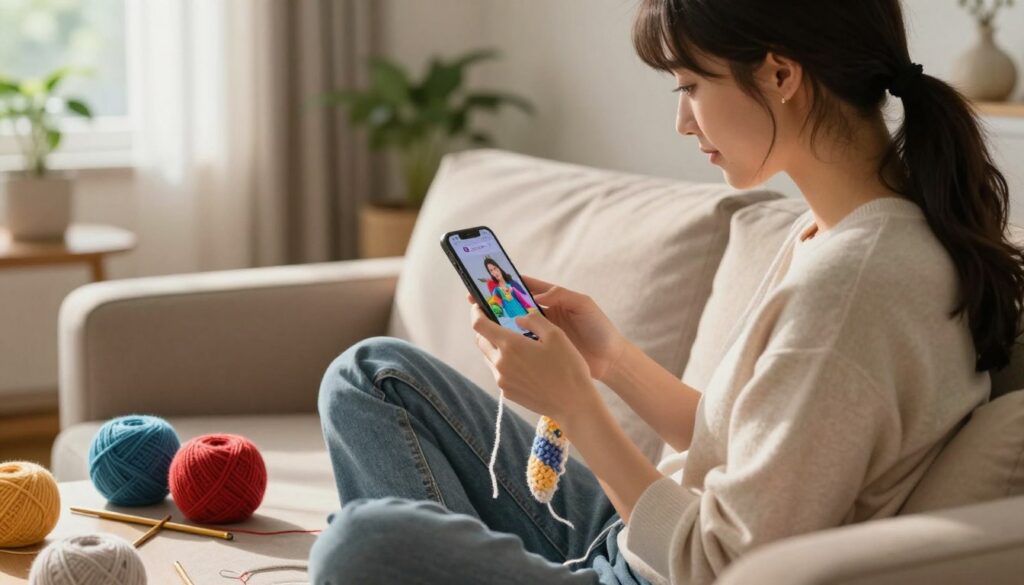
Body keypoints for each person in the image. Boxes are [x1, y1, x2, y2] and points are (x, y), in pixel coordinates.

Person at [308, 1, 1024, 583]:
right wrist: (610, 358)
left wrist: (576, 407)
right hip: (644, 534)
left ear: (780, 74)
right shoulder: (838, 233)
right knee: (370, 377)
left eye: (690, 86)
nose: (682, 120)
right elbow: (741, 442)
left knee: (361, 547)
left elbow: (723, 569)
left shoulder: (852, 290)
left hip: (667, 567)